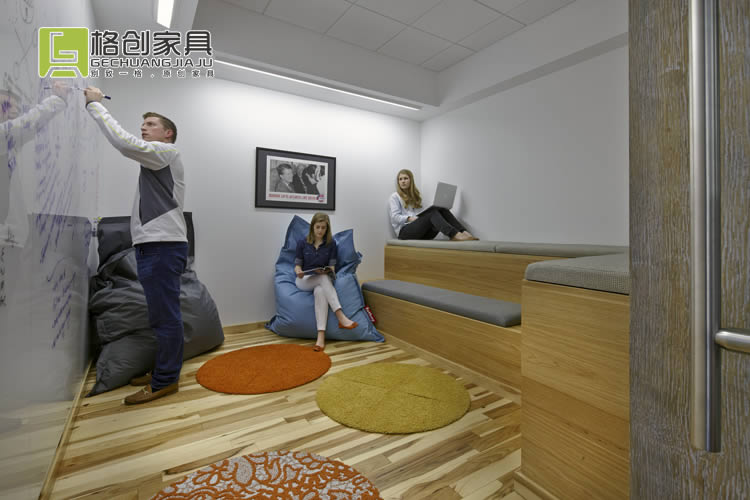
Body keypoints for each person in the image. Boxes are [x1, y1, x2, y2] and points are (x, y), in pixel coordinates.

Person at [84, 86, 188, 405]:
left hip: (162, 247)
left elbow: (125, 143)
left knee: (165, 317)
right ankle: (164, 371)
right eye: (143, 124)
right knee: (160, 316)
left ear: (168, 134)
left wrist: (95, 105)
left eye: (151, 124)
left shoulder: (167, 152)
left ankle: (165, 381)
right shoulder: (155, 162)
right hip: (155, 246)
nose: (144, 127)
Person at [294, 213, 357, 351]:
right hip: (304, 280)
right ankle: (340, 316)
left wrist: (328, 271)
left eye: (323, 228)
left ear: (327, 228)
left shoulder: (331, 244)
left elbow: (332, 267)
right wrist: (299, 271)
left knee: (320, 291)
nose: (320, 230)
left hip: (322, 279)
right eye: (317, 227)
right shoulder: (302, 243)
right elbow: (297, 265)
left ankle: (320, 338)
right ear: (312, 227)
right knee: (322, 279)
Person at [389, 169, 477, 241]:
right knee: (433, 212)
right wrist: (410, 218)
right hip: (404, 233)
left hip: (421, 233)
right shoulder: (395, 196)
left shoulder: (416, 197)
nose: (403, 181)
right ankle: (454, 234)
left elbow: (422, 215)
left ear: (411, 180)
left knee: (441, 209)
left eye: (405, 178)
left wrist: (421, 218)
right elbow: (395, 217)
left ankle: (464, 232)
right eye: (400, 179)